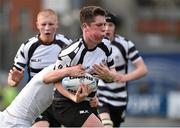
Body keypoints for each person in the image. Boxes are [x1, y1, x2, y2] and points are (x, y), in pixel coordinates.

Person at [52, 6, 117, 127]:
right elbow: (56, 82)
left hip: (89, 104)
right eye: (99, 25)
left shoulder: (106, 45)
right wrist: (74, 98)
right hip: (65, 104)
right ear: (85, 27)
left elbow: (113, 75)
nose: (104, 29)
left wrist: (109, 75)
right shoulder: (70, 53)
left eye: (105, 24)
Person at [7, 9, 72, 127]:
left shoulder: (66, 44)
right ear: (37, 25)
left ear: (57, 24)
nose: (47, 28)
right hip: (36, 100)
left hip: (60, 97)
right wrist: (14, 81)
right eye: (43, 24)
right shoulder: (28, 46)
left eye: (51, 24)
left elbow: (75, 70)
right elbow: (11, 81)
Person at [94, 12, 148, 127]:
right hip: (100, 95)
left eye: (111, 25)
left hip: (120, 97)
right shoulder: (94, 45)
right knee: (106, 124)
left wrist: (123, 77)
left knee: (113, 125)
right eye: (104, 25)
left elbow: (143, 69)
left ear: (115, 28)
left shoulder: (126, 45)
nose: (107, 28)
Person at [0, 64, 86, 127]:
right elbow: (46, 79)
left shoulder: (62, 76)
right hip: (15, 122)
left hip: (13, 119)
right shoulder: (54, 71)